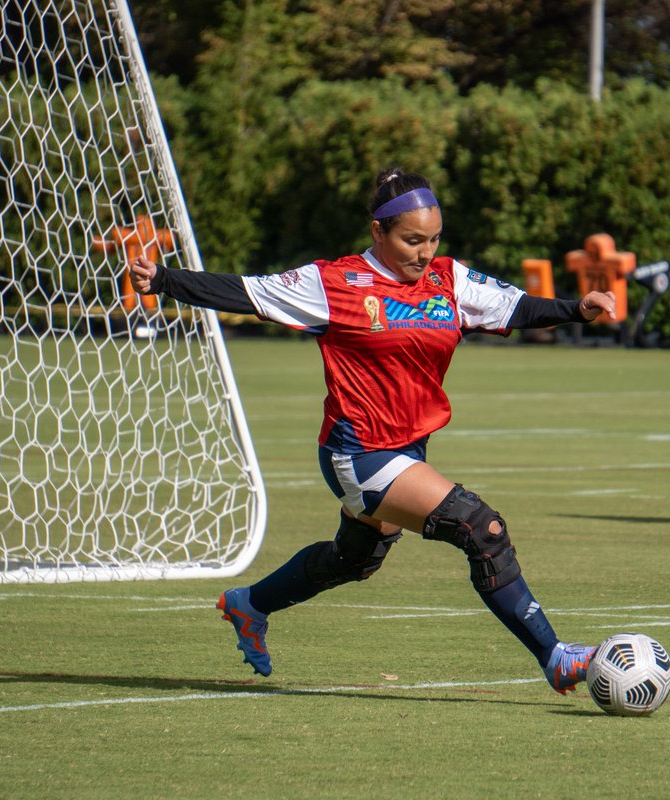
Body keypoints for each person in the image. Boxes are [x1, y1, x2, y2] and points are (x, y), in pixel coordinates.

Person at [132, 167, 618, 694]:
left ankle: (250, 605)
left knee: (355, 559)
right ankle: (556, 655)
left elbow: (513, 306)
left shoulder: (447, 280)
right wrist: (163, 280)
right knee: (482, 528)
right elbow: (246, 293)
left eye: (433, 239)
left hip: (407, 451)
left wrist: (577, 309)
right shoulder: (334, 283)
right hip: (358, 453)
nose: (424, 252)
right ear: (377, 232)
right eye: (411, 240)